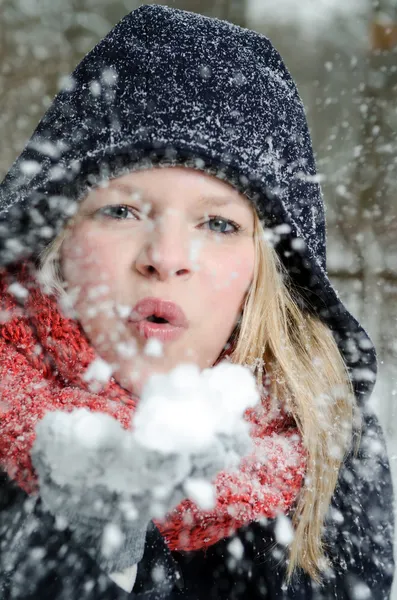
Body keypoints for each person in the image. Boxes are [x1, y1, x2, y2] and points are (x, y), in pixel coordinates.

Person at [0, 4, 394, 599]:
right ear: (54, 235)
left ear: (267, 273)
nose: (166, 256)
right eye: (122, 210)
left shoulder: (328, 466)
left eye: (217, 223)